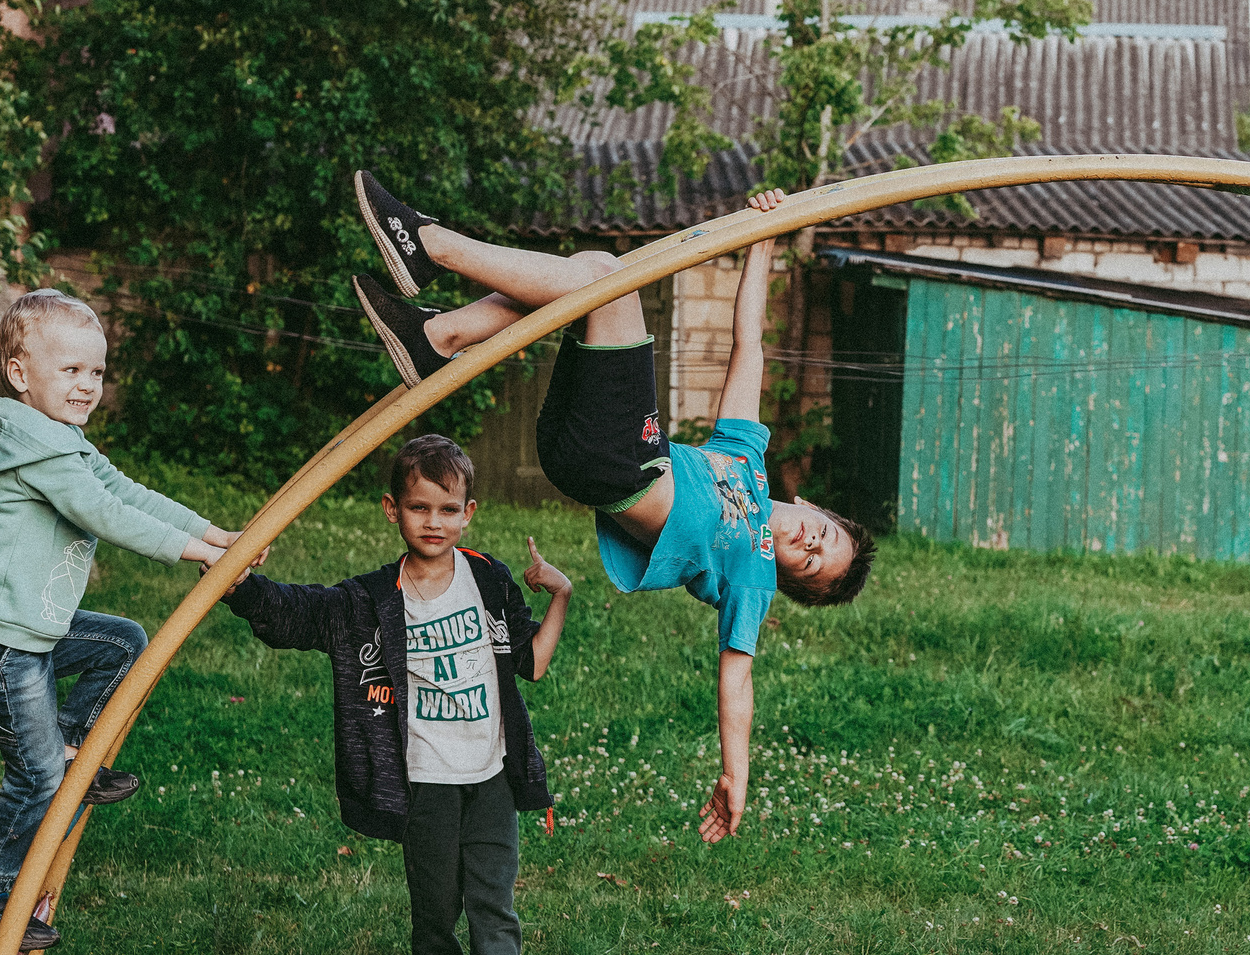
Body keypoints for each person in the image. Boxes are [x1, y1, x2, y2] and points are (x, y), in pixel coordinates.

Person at [344, 173, 874, 842]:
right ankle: (438, 336)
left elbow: (736, 680)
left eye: (814, 568)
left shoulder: (753, 574)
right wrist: (763, 240)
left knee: (609, 279)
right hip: (584, 446)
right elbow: (751, 347)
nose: (810, 547)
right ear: (810, 505)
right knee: (593, 274)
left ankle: (431, 246)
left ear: (790, 581)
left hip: (620, 464)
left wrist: (736, 772)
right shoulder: (746, 459)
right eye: (822, 535)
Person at [222, 435, 579, 955]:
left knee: (494, 904)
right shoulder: (368, 603)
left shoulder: (491, 580)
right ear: (393, 510)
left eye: (448, 510)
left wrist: (560, 595)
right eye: (420, 508)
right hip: (425, 782)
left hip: (491, 775)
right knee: (436, 908)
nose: (434, 523)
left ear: (469, 512)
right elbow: (292, 616)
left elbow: (532, 662)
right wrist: (237, 582)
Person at [0, 289, 249, 952]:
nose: (88, 385)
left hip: (24, 626)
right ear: (20, 373)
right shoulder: (38, 448)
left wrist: (211, 531)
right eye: (71, 369)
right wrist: (198, 554)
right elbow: (108, 516)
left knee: (123, 642)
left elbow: (125, 491)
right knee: (35, 776)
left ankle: (74, 747)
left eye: (97, 372)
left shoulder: (63, 440)